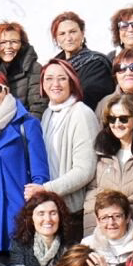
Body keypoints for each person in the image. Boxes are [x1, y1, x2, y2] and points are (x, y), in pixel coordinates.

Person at [0, 68, 50, 252]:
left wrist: (34, 208)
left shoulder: (27, 124)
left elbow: (40, 175)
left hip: (17, 214)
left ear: (6, 91)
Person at [30, 59, 99, 214]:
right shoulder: (48, 114)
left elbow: (85, 170)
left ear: (72, 82)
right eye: (49, 78)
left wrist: (46, 189)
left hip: (72, 209)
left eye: (62, 78)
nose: (55, 84)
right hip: (50, 206)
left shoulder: (81, 113)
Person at [86, 93, 133, 232]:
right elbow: (91, 200)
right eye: (112, 119)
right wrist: (89, 235)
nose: (117, 124)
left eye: (123, 119)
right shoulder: (100, 153)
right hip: (105, 234)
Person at [48, 12, 114, 109]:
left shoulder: (97, 63)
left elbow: (89, 97)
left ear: (82, 33)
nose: (68, 38)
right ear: (56, 39)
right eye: (62, 34)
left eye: (73, 32)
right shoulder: (53, 67)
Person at [0, 21, 46, 116]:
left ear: (22, 44)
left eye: (14, 42)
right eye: (3, 42)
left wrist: (26, 129)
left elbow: (38, 107)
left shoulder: (34, 68)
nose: (8, 47)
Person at [8, 189, 76, 266]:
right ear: (31, 219)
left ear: (60, 217)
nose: (48, 219)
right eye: (41, 213)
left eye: (53, 213)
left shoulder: (71, 247)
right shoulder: (19, 245)